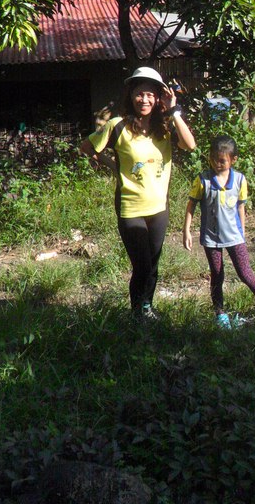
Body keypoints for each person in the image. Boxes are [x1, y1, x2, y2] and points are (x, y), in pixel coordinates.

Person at [80, 66, 197, 320]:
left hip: (159, 207)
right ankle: (137, 314)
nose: (144, 100)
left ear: (158, 98)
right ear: (131, 95)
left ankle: (146, 308)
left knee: (153, 264)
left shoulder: (165, 126)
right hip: (130, 207)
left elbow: (190, 145)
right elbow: (87, 147)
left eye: (150, 95)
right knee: (142, 265)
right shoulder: (117, 125)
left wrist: (174, 110)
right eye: (139, 94)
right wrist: (113, 165)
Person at [183, 135, 255, 328]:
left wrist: (241, 233)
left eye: (222, 161)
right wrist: (186, 230)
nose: (217, 164)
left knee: (245, 272)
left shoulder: (240, 180)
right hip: (211, 238)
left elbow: (241, 207)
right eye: (213, 159)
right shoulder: (203, 180)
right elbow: (191, 205)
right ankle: (220, 315)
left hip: (235, 236)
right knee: (217, 275)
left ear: (233, 160)